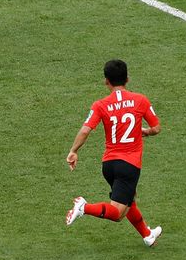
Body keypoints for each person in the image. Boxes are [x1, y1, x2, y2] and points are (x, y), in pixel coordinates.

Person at [65, 59, 163, 247]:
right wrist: (146, 132)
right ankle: (83, 207)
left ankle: (147, 235)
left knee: (128, 199)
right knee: (118, 213)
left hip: (109, 165)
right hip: (129, 165)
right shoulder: (140, 100)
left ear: (106, 81)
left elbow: (86, 130)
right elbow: (156, 127)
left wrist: (73, 151)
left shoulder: (100, 105)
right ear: (127, 79)